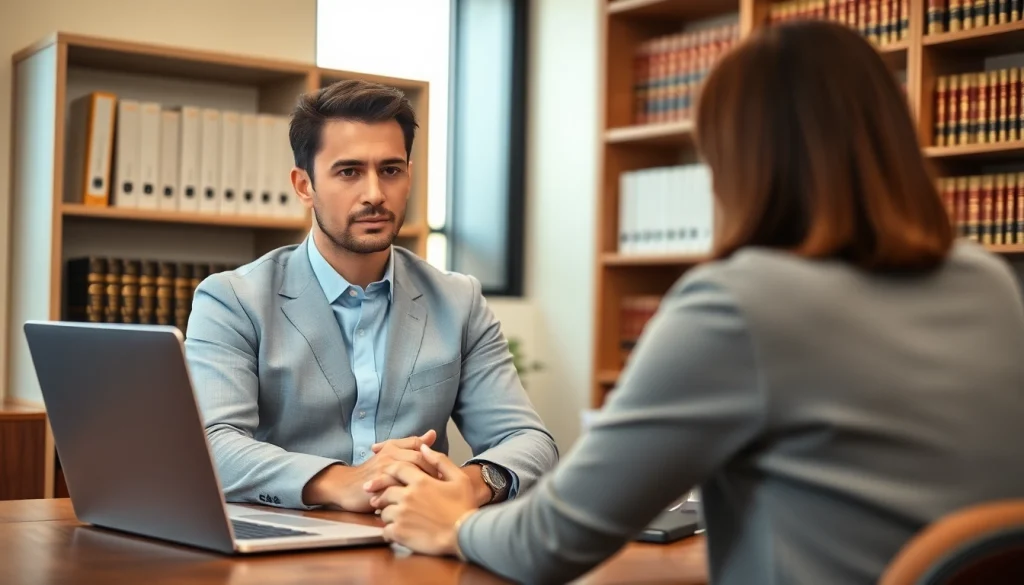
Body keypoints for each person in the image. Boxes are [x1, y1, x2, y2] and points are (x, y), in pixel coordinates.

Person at [362, 20, 1024, 585]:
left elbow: (555, 541)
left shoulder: (741, 303)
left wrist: (459, 523)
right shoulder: (986, 281)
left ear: (738, 162)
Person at [184, 79, 558, 514]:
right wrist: (340, 481)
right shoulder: (233, 299)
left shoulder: (459, 300)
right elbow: (211, 444)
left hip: (415, 537)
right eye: (349, 172)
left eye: (391, 170)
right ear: (305, 185)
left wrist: (470, 486)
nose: (375, 194)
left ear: (409, 176)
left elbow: (528, 440)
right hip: (283, 540)